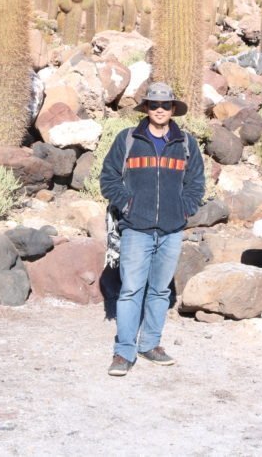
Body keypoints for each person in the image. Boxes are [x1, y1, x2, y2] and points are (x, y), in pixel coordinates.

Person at [99, 82, 206, 377]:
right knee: (131, 290)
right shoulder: (128, 139)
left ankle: (150, 345)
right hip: (136, 228)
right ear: (146, 108)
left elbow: (196, 183)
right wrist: (128, 205)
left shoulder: (186, 143)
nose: (160, 110)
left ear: (173, 109)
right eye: (154, 105)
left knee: (159, 291)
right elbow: (108, 178)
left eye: (166, 105)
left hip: (172, 229)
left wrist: (185, 209)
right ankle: (124, 352)